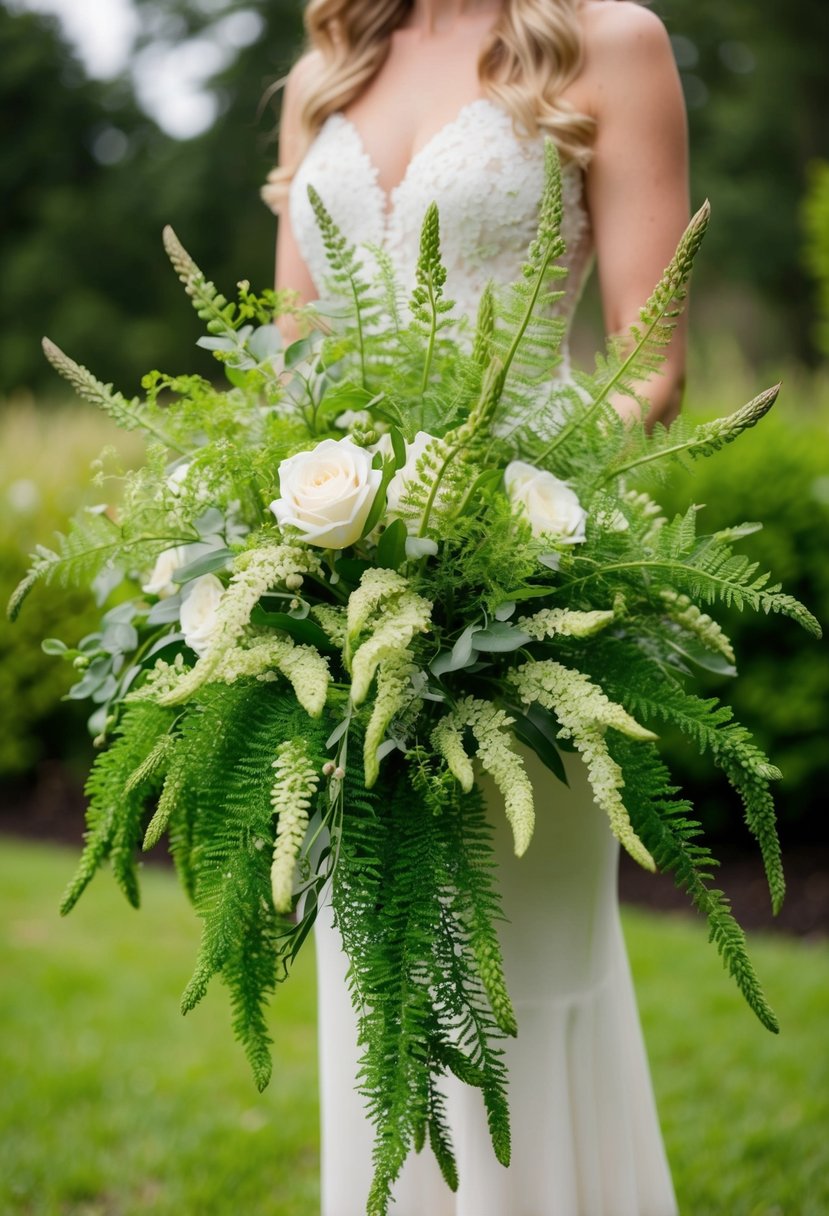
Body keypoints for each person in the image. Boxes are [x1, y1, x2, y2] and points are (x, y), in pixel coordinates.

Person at [263, 1, 689, 1212]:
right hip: (348, 605)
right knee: (386, 993)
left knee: (523, 986)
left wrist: (491, 509)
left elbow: (648, 368)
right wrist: (299, 521)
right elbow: (287, 356)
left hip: (523, 599)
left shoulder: (610, 42)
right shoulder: (325, 71)